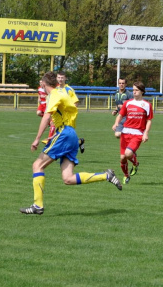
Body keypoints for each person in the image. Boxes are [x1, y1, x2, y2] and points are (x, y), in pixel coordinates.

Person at [20, 71, 122, 215]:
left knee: (37, 165)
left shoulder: (54, 95)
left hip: (65, 134)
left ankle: (38, 205)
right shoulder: (60, 94)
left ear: (44, 83)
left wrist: (37, 138)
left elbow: (46, 117)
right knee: (68, 179)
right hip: (71, 134)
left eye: (41, 83)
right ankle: (106, 175)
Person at [111, 81, 153, 184]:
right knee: (122, 158)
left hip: (138, 134)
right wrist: (116, 123)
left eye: (136, 90)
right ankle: (126, 175)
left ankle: (135, 163)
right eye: (133, 90)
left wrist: (146, 133)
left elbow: (149, 120)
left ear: (142, 91)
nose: (134, 92)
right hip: (125, 133)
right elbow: (120, 115)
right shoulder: (128, 103)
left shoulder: (147, 105)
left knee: (128, 153)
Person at [43, 71, 85, 153]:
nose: (60, 79)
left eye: (62, 78)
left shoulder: (69, 90)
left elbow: (75, 103)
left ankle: (52, 147)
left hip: (68, 117)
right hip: (59, 116)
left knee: (65, 134)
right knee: (64, 135)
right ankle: (78, 142)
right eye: (58, 77)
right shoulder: (56, 89)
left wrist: (68, 112)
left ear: (65, 78)